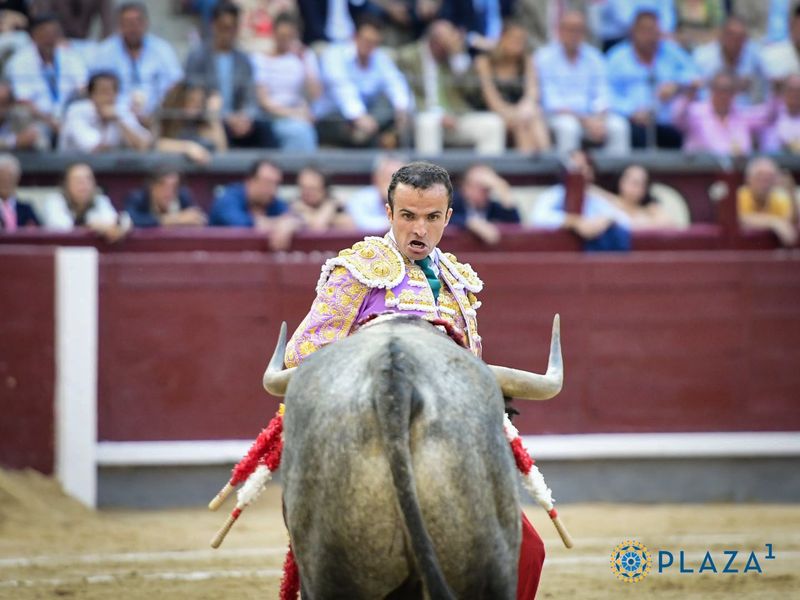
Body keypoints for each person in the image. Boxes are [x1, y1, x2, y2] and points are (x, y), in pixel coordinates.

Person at [283, 160, 546, 599]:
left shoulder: (457, 278)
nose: (418, 229)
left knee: (528, 551)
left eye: (430, 217)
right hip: (366, 438)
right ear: (388, 214)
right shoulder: (357, 270)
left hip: (449, 439)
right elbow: (305, 353)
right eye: (407, 216)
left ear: (448, 217)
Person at [395, 19, 505, 156]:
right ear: (434, 43)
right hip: (423, 116)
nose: (450, 47)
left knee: (493, 123)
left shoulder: (453, 56)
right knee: (427, 124)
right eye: (446, 44)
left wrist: (458, 57)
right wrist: (438, 116)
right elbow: (400, 92)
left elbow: (471, 91)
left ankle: (482, 175)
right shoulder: (408, 57)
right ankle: (430, 176)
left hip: (455, 115)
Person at [534, 11, 630, 155]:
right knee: (568, 127)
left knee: (619, 126)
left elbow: (603, 92)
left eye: (579, 30)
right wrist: (585, 120)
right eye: (570, 30)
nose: (574, 35)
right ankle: (570, 175)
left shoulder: (595, 57)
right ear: (559, 31)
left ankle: (616, 175)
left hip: (593, 116)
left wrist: (599, 118)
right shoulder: (543, 58)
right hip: (557, 116)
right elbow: (551, 101)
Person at [184, 1, 273, 149]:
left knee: (265, 129)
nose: (228, 33)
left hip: (238, 121)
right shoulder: (197, 57)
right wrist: (223, 116)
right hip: (207, 120)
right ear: (213, 25)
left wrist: (245, 117)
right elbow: (193, 98)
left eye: (233, 28)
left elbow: (250, 97)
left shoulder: (244, 60)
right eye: (223, 28)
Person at [315, 14, 412, 148]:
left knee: (389, 109)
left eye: (374, 42)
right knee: (363, 132)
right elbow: (342, 89)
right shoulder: (333, 55)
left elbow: (395, 81)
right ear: (355, 37)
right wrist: (359, 116)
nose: (369, 46)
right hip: (332, 117)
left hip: (368, 117)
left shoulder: (379, 58)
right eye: (366, 40)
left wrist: (401, 107)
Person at [606, 9, 697, 149]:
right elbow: (607, 94)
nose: (651, 36)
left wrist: (677, 85)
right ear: (633, 32)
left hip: (669, 122)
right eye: (645, 31)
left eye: (654, 30)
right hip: (633, 122)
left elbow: (696, 76)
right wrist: (632, 111)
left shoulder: (671, 52)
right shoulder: (617, 57)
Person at [92, 2, 183, 124]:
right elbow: (94, 87)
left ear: (146, 23)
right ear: (119, 25)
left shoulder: (162, 49)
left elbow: (175, 83)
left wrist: (160, 108)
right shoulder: (105, 51)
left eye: (137, 22)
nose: (133, 28)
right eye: (128, 23)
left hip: (157, 116)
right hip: (116, 117)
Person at [4, 13, 88, 143]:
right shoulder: (20, 61)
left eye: (54, 32)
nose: (50, 38)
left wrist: (67, 117)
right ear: (33, 36)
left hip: (68, 116)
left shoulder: (71, 57)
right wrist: (51, 122)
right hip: (37, 118)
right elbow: (23, 101)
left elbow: (83, 88)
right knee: (30, 127)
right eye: (45, 33)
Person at [528, 150, 633, 251]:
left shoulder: (595, 196)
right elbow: (538, 217)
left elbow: (625, 220)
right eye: (577, 168)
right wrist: (575, 222)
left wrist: (605, 220)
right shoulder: (554, 194)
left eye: (586, 168)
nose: (582, 172)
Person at [473, 22, 550, 153]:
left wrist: (522, 112)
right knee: (524, 120)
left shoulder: (527, 61)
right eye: (513, 38)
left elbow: (532, 93)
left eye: (521, 40)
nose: (518, 43)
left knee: (533, 115)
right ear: (502, 38)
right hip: (490, 112)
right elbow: (491, 99)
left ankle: (544, 163)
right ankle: (532, 168)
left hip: (521, 115)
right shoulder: (484, 62)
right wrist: (513, 114)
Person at [252, 12, 322, 152]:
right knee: (300, 132)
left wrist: (304, 61)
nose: (284, 40)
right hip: (271, 117)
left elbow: (316, 95)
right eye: (281, 35)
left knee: (303, 129)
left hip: (299, 115)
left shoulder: (305, 56)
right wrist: (294, 114)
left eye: (289, 36)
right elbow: (264, 102)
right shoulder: (259, 59)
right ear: (274, 33)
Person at [671, 71, 777, 155]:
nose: (724, 95)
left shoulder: (741, 114)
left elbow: (769, 117)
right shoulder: (695, 111)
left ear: (735, 93)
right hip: (702, 173)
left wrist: (776, 91)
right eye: (719, 90)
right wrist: (689, 95)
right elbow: (678, 119)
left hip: (736, 173)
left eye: (729, 91)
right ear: (712, 90)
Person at [58, 70, 152, 152]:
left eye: (113, 92)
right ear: (91, 95)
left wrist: (119, 120)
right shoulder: (76, 111)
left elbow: (144, 145)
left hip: (108, 169)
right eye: (104, 92)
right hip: (70, 167)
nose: (110, 97)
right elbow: (95, 149)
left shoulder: (118, 112)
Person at [38, 161, 126, 242]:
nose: (83, 184)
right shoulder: (54, 201)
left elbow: (113, 224)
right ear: (66, 185)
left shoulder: (101, 201)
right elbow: (62, 229)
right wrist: (93, 226)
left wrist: (119, 227)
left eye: (88, 179)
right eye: (77, 180)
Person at [693, 16, 766, 106]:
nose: (736, 42)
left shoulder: (755, 56)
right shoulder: (702, 56)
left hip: (746, 111)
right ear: (722, 36)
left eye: (740, 38)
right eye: (731, 36)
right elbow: (696, 88)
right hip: (708, 110)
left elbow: (762, 89)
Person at [155, 81, 227, 164]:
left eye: (200, 101)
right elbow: (156, 144)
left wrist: (213, 117)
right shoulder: (167, 117)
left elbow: (221, 150)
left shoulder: (203, 124)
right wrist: (187, 147)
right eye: (191, 100)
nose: (196, 105)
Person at [450, 163, 520, 245]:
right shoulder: (453, 201)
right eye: (479, 186)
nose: (484, 191)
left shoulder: (493, 207)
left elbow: (515, 225)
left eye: (487, 188)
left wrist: (502, 189)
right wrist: (470, 223)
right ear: (466, 187)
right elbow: (444, 218)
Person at [209, 158, 290, 229]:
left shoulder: (271, 201)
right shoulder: (228, 198)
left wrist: (291, 223)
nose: (272, 190)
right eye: (267, 183)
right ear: (250, 181)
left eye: (276, 184)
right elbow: (240, 224)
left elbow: (292, 216)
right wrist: (279, 223)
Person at [737, 156, 798, 247]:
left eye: (769, 178)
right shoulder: (741, 195)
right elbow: (740, 218)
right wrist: (774, 222)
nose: (764, 182)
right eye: (759, 177)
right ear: (748, 179)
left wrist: (791, 194)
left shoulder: (778, 199)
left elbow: (788, 225)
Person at [124, 167, 207, 228]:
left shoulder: (182, 195)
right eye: (163, 186)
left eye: (174, 187)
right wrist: (173, 219)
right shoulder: (138, 198)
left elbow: (200, 218)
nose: (169, 192)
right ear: (152, 187)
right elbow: (128, 220)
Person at [607, 164, 680, 229]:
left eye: (643, 184)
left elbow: (671, 225)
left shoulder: (650, 208)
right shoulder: (608, 204)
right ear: (621, 182)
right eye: (635, 183)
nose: (639, 188)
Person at [345, 153, 404, 231]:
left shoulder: (412, 198)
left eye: (400, 179)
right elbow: (360, 223)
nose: (394, 183)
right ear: (376, 178)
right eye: (388, 177)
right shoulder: (360, 198)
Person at [290, 165, 354, 231]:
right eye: (303, 187)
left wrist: (329, 207)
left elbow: (350, 224)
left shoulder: (336, 207)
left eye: (312, 188)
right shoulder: (293, 207)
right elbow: (317, 226)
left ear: (324, 189)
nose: (307, 193)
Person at [0, 79, 48, 151]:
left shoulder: (19, 116)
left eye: (4, 103)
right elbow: (15, 141)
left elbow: (43, 143)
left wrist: (33, 139)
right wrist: (15, 141)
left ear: (11, 104)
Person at [761, 73, 800, 154]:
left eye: (798, 91)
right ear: (784, 92)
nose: (795, 94)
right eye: (791, 90)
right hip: (773, 161)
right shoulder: (772, 112)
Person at [0, 153, 39, 230]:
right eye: (2, 177)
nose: (6, 181)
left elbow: (40, 233)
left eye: (10, 177)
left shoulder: (26, 210)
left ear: (17, 179)